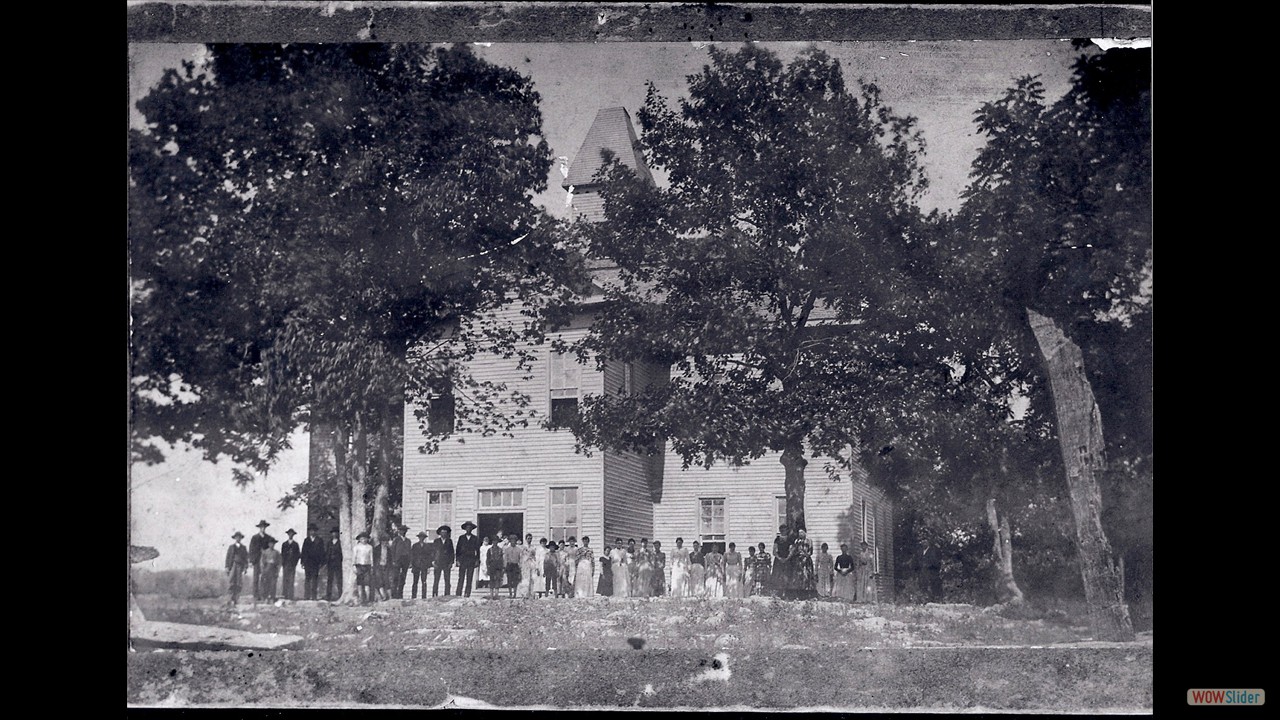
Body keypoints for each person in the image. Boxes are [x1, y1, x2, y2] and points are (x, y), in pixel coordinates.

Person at [248, 520, 275, 601]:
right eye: (261, 527)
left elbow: (270, 548)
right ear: (259, 528)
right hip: (256, 560)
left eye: (264, 527)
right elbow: (251, 549)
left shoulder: (268, 538)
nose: (263, 528)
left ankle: (264, 594)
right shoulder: (254, 538)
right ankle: (255, 595)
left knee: (264, 577)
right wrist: (251, 560)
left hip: (265, 561)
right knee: (256, 578)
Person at [455, 521, 481, 597]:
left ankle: (467, 593)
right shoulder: (461, 538)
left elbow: (477, 550)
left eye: (470, 528)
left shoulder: (475, 538)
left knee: (469, 577)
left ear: (472, 529)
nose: (468, 529)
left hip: (471, 560)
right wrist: (457, 560)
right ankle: (458, 593)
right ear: (465, 529)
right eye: (467, 528)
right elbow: (458, 550)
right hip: (463, 560)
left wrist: (477, 560)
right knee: (461, 577)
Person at [301, 524, 326, 601]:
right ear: (309, 532)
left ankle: (314, 596)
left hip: (316, 563)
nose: (312, 532)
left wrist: (321, 563)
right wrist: (302, 562)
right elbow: (303, 551)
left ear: (316, 532)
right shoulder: (306, 540)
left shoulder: (319, 540)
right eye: (311, 531)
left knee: (315, 579)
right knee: (307, 579)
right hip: (308, 563)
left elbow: (322, 552)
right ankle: (306, 596)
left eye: (314, 531)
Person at [225, 531, 249, 606]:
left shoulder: (243, 548)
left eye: (239, 537)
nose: (238, 538)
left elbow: (246, 559)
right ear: (235, 538)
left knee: (239, 582)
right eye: (236, 537)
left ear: (241, 538)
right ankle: (230, 598)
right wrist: (227, 567)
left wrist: (245, 568)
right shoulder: (231, 547)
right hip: (233, 565)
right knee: (231, 581)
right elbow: (228, 557)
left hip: (240, 566)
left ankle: (236, 599)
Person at [432, 525, 455, 597]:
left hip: (446, 563)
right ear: (440, 533)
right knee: (436, 579)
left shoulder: (449, 541)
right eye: (442, 532)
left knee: (447, 579)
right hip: (438, 562)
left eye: (445, 532)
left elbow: (452, 552)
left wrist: (451, 562)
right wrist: (433, 561)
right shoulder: (436, 541)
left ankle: (447, 594)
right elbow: (433, 552)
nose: (444, 534)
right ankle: (434, 594)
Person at [792, 528, 815, 599]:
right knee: (798, 577)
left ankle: (807, 594)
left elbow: (810, 551)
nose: (800, 534)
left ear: (805, 532)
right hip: (798, 560)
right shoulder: (797, 541)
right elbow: (794, 551)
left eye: (802, 532)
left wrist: (806, 557)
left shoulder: (809, 541)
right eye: (799, 533)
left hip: (806, 560)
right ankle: (799, 594)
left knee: (807, 576)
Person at [391, 524, 412, 600]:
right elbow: (392, 550)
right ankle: (394, 594)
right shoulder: (396, 540)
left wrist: (410, 562)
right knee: (395, 577)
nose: (403, 532)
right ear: (399, 531)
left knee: (403, 577)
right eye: (402, 530)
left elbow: (409, 552)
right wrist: (393, 560)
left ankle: (400, 594)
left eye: (405, 530)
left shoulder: (408, 541)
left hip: (405, 561)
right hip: (397, 560)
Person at [353, 531, 374, 604]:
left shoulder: (369, 547)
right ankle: (361, 599)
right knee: (359, 583)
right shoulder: (357, 547)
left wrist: (372, 566)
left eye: (365, 539)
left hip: (367, 566)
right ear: (359, 539)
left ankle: (367, 599)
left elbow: (371, 558)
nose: (364, 540)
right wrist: (354, 566)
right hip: (359, 566)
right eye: (362, 539)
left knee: (367, 583)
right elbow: (354, 557)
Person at [410, 531, 433, 599]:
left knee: (424, 581)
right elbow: (412, 556)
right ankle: (413, 596)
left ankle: (424, 596)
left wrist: (428, 566)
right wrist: (412, 564)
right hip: (416, 565)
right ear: (418, 538)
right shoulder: (415, 546)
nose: (421, 539)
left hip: (424, 565)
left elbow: (429, 557)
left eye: (423, 537)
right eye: (420, 537)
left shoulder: (427, 546)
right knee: (415, 581)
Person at [772, 524, 792, 599]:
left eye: (785, 530)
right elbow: (774, 551)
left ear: (787, 530)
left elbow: (791, 550)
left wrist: (787, 558)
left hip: (787, 559)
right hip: (779, 560)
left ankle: (786, 593)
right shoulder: (777, 539)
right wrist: (779, 558)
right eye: (781, 530)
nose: (783, 531)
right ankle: (779, 593)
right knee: (778, 576)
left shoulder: (790, 539)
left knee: (786, 576)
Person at [280, 529, 300, 601]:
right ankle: (285, 595)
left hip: (292, 565)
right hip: (286, 564)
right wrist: (283, 563)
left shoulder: (295, 545)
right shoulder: (284, 544)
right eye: (289, 534)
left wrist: (295, 563)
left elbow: (298, 555)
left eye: (292, 534)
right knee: (285, 579)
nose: (290, 535)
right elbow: (282, 554)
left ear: (293, 535)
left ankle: (291, 596)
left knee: (291, 580)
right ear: (288, 535)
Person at [374, 533, 394, 602]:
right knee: (379, 581)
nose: (385, 542)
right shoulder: (377, 549)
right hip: (378, 566)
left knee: (387, 581)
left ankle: (390, 597)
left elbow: (390, 559)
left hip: (386, 566)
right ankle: (383, 596)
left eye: (386, 541)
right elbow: (374, 558)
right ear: (381, 541)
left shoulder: (388, 549)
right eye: (383, 541)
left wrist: (390, 566)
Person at [325, 528, 343, 601]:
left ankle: (340, 595)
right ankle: (328, 596)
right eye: (333, 533)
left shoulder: (340, 542)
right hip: (330, 563)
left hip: (338, 563)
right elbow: (327, 553)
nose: (334, 534)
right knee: (330, 579)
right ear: (331, 534)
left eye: (336, 533)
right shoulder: (329, 543)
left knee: (339, 579)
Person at [486, 535, 506, 599]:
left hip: (498, 567)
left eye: (496, 541)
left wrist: (502, 567)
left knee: (498, 579)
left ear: (497, 542)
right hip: (491, 566)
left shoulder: (500, 550)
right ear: (492, 542)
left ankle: (496, 594)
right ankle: (491, 595)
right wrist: (488, 567)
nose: (495, 542)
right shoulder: (489, 550)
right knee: (491, 580)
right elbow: (487, 560)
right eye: (494, 541)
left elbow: (502, 559)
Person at [503, 533, 522, 599]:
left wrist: (520, 567)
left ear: (516, 541)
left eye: (514, 540)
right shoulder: (507, 549)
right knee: (509, 580)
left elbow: (520, 559)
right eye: (511, 540)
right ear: (510, 541)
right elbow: (505, 558)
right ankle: (510, 593)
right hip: (509, 565)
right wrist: (505, 566)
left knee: (515, 580)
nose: (513, 541)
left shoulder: (519, 549)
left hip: (515, 565)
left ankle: (515, 593)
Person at [520, 534, 538, 599]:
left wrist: (536, 565)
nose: (529, 540)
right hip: (525, 563)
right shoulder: (523, 547)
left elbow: (535, 556)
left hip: (532, 563)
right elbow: (521, 556)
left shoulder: (533, 547)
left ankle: (532, 594)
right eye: (528, 538)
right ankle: (525, 594)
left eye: (530, 538)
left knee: (532, 578)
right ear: (526, 539)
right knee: (526, 578)